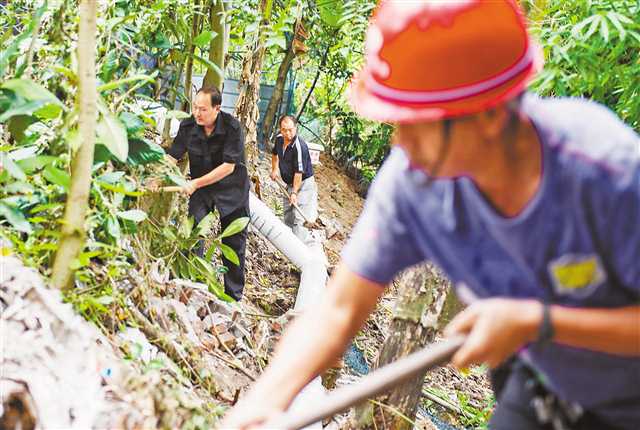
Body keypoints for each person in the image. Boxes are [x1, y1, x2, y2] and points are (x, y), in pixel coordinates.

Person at [222, 1, 640, 429]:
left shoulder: (605, 173)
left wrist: (540, 321)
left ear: (490, 116)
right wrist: (263, 404)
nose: (400, 144)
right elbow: (339, 310)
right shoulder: (413, 184)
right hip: (542, 381)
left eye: (416, 122)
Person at [166, 86, 250, 301]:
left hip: (232, 190)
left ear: (217, 108)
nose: (197, 113)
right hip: (202, 190)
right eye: (195, 107)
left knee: (234, 244)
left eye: (203, 109)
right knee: (193, 233)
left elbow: (228, 166)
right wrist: (159, 176)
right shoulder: (188, 126)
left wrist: (194, 183)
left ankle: (232, 298)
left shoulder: (232, 128)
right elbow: (172, 158)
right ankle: (193, 286)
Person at [270, 115, 318, 243]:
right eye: (284, 129)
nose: (287, 133)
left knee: (299, 217)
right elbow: (274, 154)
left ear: (295, 128)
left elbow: (298, 172)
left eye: (290, 129)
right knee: (288, 214)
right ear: (280, 129)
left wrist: (294, 193)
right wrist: (274, 169)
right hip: (291, 183)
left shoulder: (299, 146)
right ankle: (287, 245)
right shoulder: (279, 140)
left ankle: (298, 250)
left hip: (304, 184)